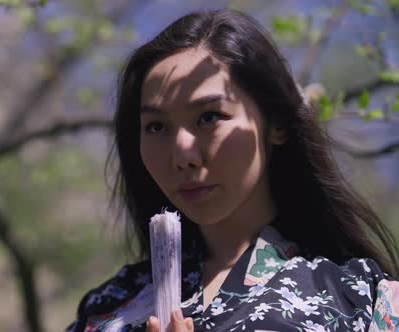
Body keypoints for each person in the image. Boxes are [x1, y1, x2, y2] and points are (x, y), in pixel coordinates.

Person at [66, 9, 399, 332]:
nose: (183, 155)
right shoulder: (110, 305)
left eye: (209, 117)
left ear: (277, 124)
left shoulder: (361, 301)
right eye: (155, 126)